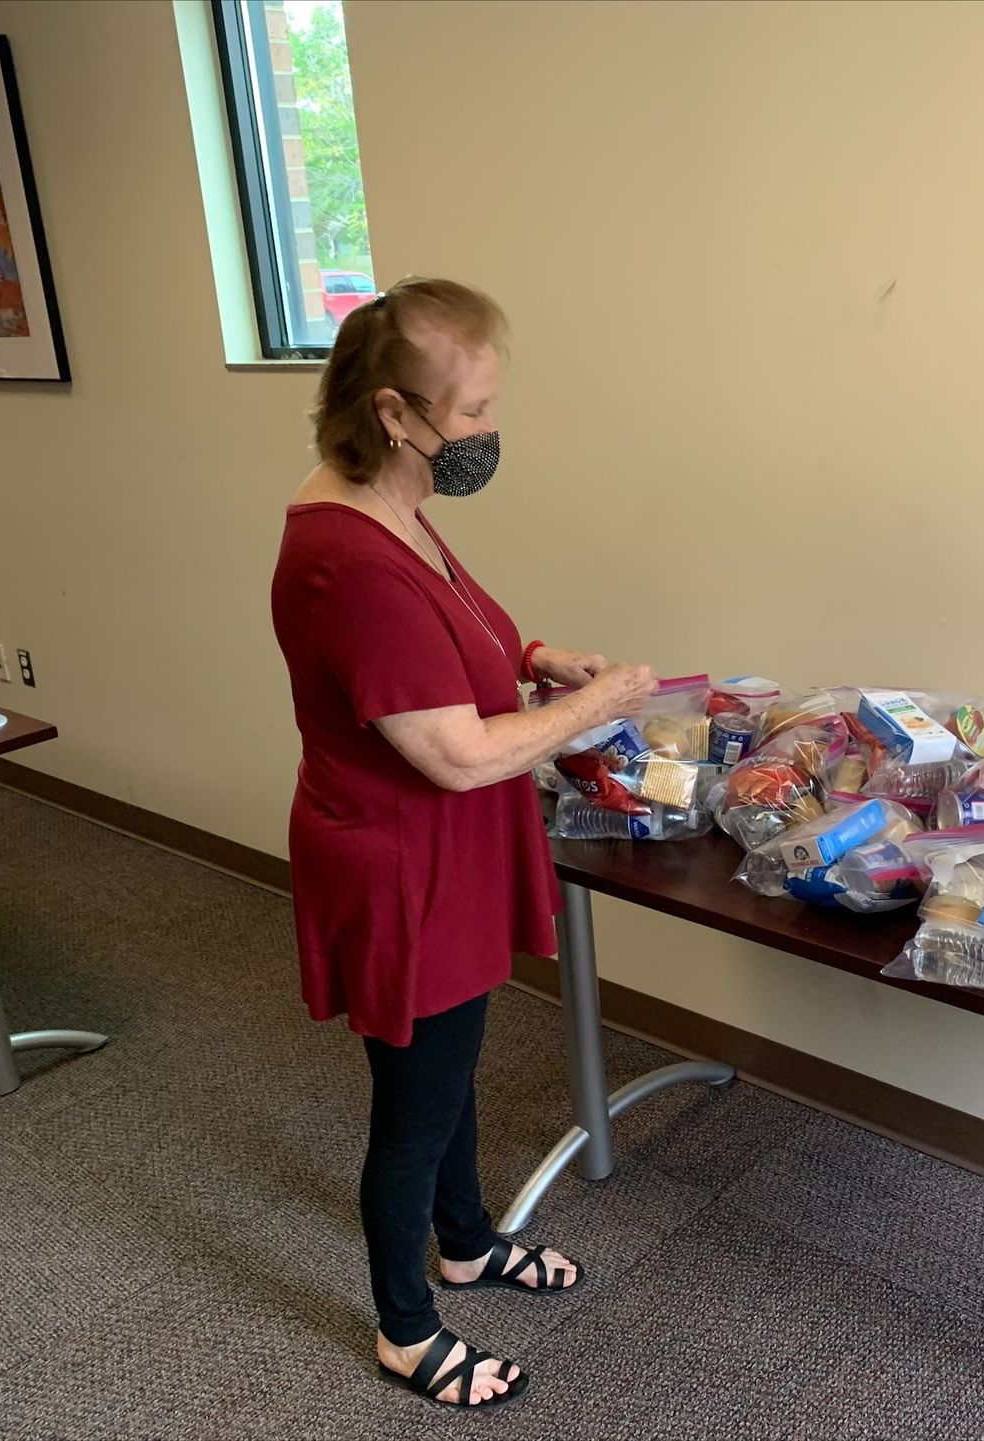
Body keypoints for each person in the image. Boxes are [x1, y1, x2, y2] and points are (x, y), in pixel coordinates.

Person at [270, 278, 656, 1411]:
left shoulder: (385, 496)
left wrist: (532, 656)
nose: (489, 431)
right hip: (404, 862)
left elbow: (447, 639)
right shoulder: (345, 552)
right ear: (396, 410)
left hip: (439, 849)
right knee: (417, 1104)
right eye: (475, 410)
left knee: (449, 1067)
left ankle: (469, 1243)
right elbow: (452, 753)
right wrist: (602, 703)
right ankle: (406, 1328)